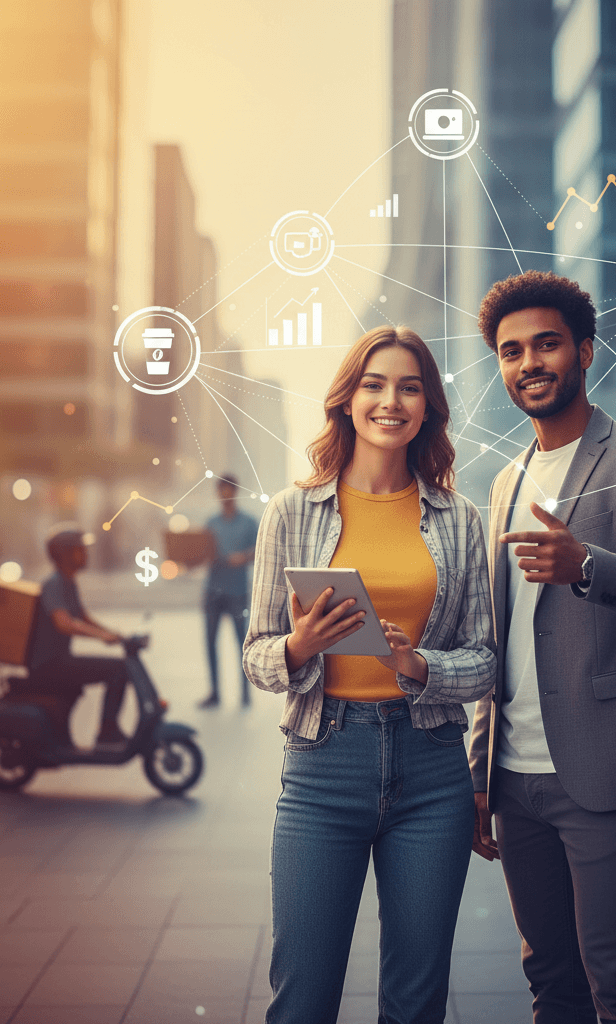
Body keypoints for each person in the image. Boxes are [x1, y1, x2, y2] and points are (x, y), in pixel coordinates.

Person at [468, 270, 616, 1024]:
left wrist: (589, 568)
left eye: (546, 344)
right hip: (515, 778)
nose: (529, 362)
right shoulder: (504, 481)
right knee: (550, 982)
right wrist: (479, 772)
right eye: (512, 351)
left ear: (585, 352)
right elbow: (497, 639)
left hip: (606, 771)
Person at [243, 325, 495, 1024]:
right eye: (375, 384)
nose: (392, 401)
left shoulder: (459, 518)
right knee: (303, 998)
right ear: (347, 400)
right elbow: (256, 653)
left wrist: (418, 664)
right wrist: (298, 647)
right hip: (324, 765)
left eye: (410, 387)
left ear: (429, 407)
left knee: (415, 1004)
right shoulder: (291, 512)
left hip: (432, 768)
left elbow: (484, 658)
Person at [26, 529, 129, 750]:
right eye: (79, 550)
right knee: (118, 670)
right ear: (64, 554)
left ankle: (69, 737)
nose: (85, 555)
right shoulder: (54, 584)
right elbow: (64, 623)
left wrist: (114, 634)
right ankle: (107, 732)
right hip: (48, 665)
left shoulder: (68, 582)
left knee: (117, 668)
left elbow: (82, 617)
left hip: (59, 661)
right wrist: (102, 637)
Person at [200, 473, 258, 708]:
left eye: (229, 490)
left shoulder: (249, 522)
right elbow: (201, 551)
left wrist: (243, 557)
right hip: (213, 590)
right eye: (221, 490)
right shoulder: (211, 523)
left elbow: (260, 550)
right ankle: (215, 693)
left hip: (237, 591)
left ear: (235, 492)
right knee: (210, 643)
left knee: (241, 643)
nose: (225, 495)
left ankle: (245, 694)